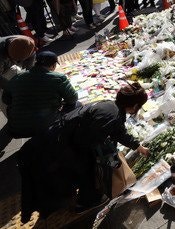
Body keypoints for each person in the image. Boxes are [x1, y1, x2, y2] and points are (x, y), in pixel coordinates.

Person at [17, 83, 149, 220]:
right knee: (84, 172)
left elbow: (118, 132)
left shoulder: (110, 105)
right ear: (135, 106)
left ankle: (69, 198)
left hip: (53, 139)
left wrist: (138, 147)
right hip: (55, 148)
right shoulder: (112, 116)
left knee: (55, 180)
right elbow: (83, 143)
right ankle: (84, 204)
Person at [3, 51, 77, 138]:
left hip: (16, 128)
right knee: (77, 105)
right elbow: (73, 99)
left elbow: (5, 99)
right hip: (45, 125)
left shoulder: (17, 77)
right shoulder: (58, 78)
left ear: (36, 63)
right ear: (53, 65)